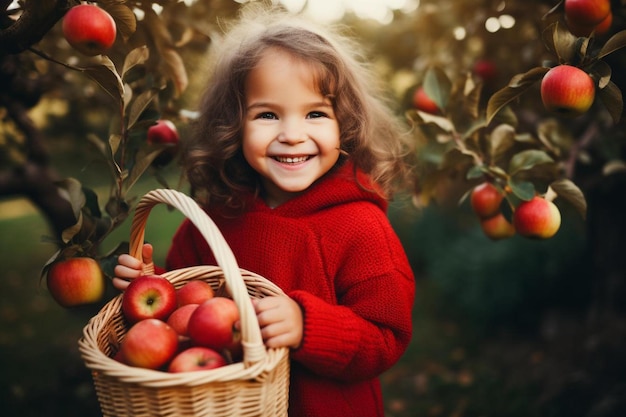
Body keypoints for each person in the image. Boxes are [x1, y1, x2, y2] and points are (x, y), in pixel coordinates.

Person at [114, 4, 415, 416]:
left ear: (344, 124)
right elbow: (190, 308)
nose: (292, 135)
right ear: (234, 126)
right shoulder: (215, 220)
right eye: (268, 114)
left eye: (315, 114)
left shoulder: (361, 227)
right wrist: (154, 287)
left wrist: (309, 326)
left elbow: (386, 336)